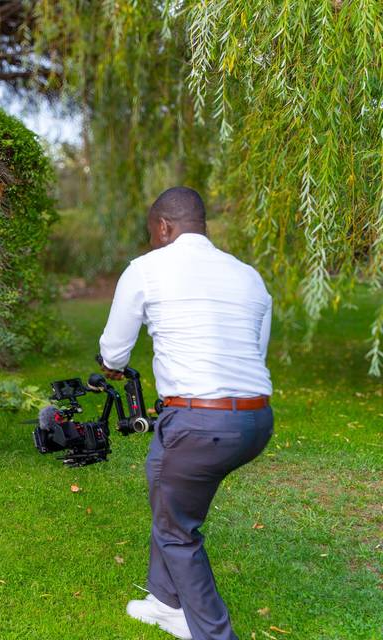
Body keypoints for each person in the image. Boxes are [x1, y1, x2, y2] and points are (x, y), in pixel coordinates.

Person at [98, 187, 274, 640]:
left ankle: (211, 632)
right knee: (163, 477)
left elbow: (114, 350)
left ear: (163, 227)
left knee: (178, 531)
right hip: (255, 419)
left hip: (201, 424)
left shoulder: (146, 269)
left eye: (152, 232)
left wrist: (112, 368)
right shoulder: (249, 276)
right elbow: (254, 353)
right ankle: (164, 602)